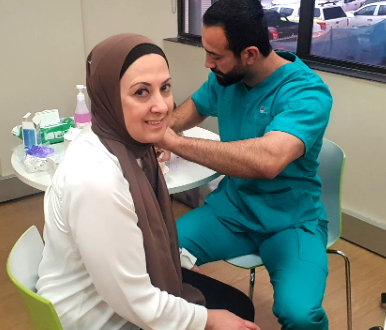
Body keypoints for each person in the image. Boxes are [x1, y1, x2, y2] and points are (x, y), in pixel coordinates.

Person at [35, 33, 259, 330]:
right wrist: (210, 320)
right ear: (108, 98)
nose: (162, 106)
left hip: (117, 295)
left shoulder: (129, 147)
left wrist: (173, 273)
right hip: (97, 316)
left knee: (237, 305)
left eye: (165, 88)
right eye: (142, 92)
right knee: (232, 311)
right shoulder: (96, 179)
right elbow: (134, 300)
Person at [155, 1, 333, 329]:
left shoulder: (307, 93)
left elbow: (268, 160)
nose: (208, 64)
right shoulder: (227, 79)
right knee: (155, 258)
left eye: (216, 56)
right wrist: (165, 130)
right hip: (233, 210)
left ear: (249, 54)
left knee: (300, 315)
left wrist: (175, 143)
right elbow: (194, 106)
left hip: (290, 221)